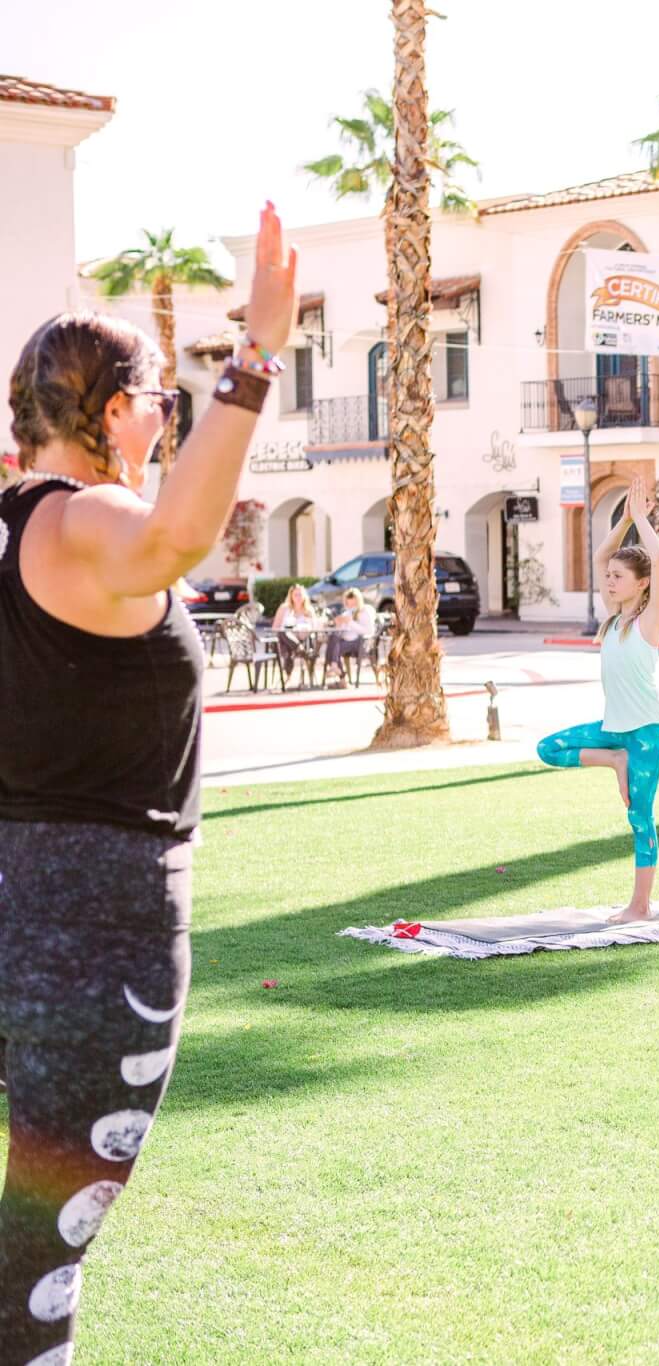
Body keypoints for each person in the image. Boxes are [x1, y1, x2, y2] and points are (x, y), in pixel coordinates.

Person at [0, 206, 296, 1358]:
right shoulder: (85, 522)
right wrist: (255, 357)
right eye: (159, 396)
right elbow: (176, 537)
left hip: (26, 898)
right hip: (92, 928)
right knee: (37, 1264)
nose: (169, 412)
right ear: (112, 413)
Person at [535, 477, 659, 923]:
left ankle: (640, 906)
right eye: (608, 577)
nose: (608, 582)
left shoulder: (650, 619)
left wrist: (643, 520)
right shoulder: (612, 619)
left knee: (640, 817)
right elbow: (599, 556)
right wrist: (625, 519)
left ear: (642, 584)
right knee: (548, 749)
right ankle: (614, 761)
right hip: (614, 732)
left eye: (618, 577)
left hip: (645, 733)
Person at [322, 587, 377, 686]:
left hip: (360, 643)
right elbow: (343, 632)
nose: (351, 606)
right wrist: (338, 624)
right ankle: (336, 668)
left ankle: (341, 676)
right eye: (348, 604)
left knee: (333, 647)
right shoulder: (346, 613)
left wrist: (350, 622)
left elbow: (369, 631)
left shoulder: (365, 611)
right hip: (347, 641)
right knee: (333, 640)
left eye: (353, 604)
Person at [271, 581, 320, 683]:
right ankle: (299, 649)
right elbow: (275, 628)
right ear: (291, 596)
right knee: (283, 633)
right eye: (295, 595)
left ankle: (287, 677)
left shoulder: (309, 610)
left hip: (305, 641)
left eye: (300, 595)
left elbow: (315, 628)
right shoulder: (284, 608)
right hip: (286, 640)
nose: (298, 597)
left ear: (304, 596)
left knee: (289, 647)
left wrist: (305, 629)